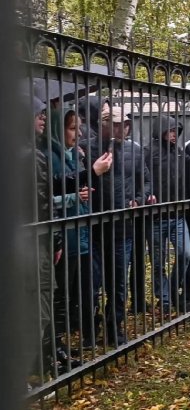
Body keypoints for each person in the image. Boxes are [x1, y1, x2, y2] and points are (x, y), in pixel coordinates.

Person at [83, 104, 155, 346]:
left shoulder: (134, 150)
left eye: (124, 123)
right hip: (92, 226)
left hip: (122, 226)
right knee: (91, 282)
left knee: (118, 282)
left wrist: (140, 197)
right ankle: (90, 328)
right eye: (115, 124)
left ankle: (115, 327)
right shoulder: (86, 147)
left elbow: (146, 180)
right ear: (103, 125)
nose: (122, 128)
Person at [43, 106, 111, 349]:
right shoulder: (48, 157)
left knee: (81, 290)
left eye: (79, 128)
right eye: (73, 128)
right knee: (60, 295)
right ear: (56, 129)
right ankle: (55, 346)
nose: (79, 134)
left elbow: (74, 185)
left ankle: (74, 338)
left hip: (80, 231)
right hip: (64, 235)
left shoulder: (73, 154)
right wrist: (75, 195)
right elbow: (46, 195)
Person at [144, 116, 190, 313]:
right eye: (170, 130)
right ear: (161, 131)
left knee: (185, 254)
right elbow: (143, 177)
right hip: (156, 217)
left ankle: (172, 289)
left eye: (176, 131)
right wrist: (146, 196)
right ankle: (164, 299)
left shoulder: (180, 152)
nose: (174, 135)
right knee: (158, 262)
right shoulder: (149, 152)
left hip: (178, 215)